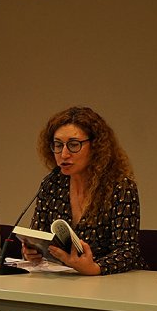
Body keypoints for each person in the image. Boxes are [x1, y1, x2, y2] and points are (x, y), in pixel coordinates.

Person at [21, 106, 146, 275]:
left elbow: (128, 251)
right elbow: (38, 235)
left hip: (113, 281)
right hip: (64, 279)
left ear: (95, 146)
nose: (64, 154)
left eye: (73, 145)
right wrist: (32, 252)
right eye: (58, 145)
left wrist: (95, 268)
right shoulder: (52, 183)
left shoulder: (120, 186)